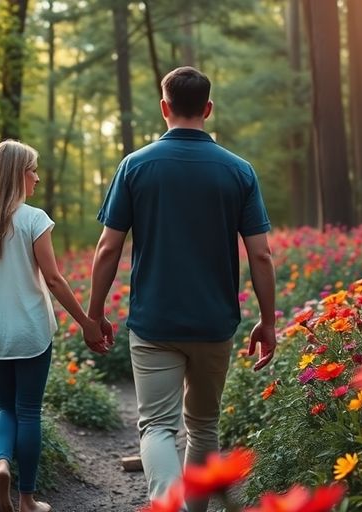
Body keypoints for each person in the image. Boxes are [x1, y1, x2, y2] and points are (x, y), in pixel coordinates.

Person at [86, 66, 278, 512]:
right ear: (208, 109)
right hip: (214, 323)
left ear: (164, 107)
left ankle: (165, 504)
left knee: (156, 426)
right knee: (204, 426)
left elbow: (108, 247)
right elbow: (261, 255)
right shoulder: (239, 171)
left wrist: (94, 314)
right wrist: (267, 321)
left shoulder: (135, 166)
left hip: (154, 322)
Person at [0, 140, 111, 512]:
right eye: (32, 170)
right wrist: (87, 323)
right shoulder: (33, 219)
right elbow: (53, 279)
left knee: (5, 408)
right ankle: (26, 498)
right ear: (16, 175)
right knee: (28, 411)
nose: (37, 178)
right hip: (30, 332)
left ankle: (2, 465)